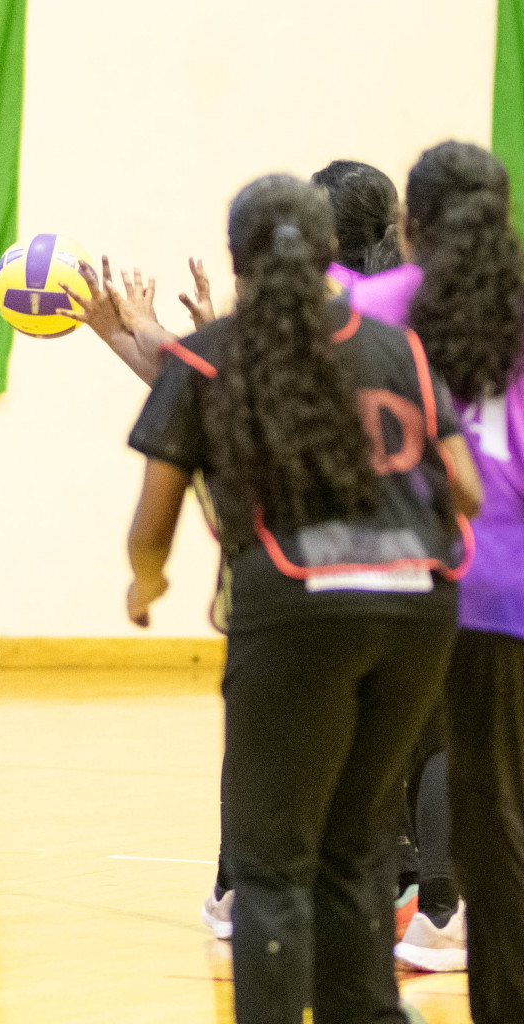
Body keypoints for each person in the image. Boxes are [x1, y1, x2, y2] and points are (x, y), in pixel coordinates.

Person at [125, 174, 480, 1024]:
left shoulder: (212, 352)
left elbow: (153, 520)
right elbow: (462, 489)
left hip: (295, 608)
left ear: (237, 256)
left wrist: (148, 581)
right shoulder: (395, 349)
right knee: (354, 844)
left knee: (272, 863)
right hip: (417, 605)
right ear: (330, 255)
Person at [69, 160, 439, 944]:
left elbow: (211, 389)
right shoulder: (396, 333)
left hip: (291, 587)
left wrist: (145, 583)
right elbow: (460, 481)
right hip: (416, 584)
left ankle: (247, 893)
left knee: (272, 768)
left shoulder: (274, 332)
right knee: (384, 784)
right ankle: (419, 911)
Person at [342, 142, 524, 1006]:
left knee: (360, 808)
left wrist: (139, 340)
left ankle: (363, 1003)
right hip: (503, 593)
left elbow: (249, 391)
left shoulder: (364, 305)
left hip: (384, 582)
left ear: (407, 223)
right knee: (497, 824)